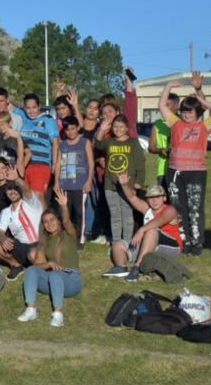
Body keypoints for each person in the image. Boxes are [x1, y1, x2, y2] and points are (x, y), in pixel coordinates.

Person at [159, 73, 211, 256]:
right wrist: (168, 87)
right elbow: (162, 106)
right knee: (178, 208)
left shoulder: (204, 126)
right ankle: (184, 241)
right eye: (184, 111)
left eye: (190, 111)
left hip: (196, 173)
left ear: (198, 112)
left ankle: (197, 243)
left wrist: (200, 98)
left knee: (195, 208)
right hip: (175, 172)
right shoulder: (176, 123)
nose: (186, 114)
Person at [17, 187, 82, 327]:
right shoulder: (43, 242)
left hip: (71, 280)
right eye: (45, 222)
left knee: (55, 275)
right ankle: (31, 309)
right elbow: (38, 265)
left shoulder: (68, 235)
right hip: (52, 281)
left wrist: (64, 206)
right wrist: (48, 264)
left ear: (58, 221)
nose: (49, 223)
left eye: (52, 220)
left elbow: (67, 222)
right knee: (30, 270)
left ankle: (58, 315)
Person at [105, 173, 183, 280]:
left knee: (151, 231)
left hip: (172, 247)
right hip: (150, 244)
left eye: (158, 197)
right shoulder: (147, 209)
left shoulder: (170, 210)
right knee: (118, 245)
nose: (154, 201)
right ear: (147, 199)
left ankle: (137, 267)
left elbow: (160, 220)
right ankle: (121, 268)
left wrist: (142, 230)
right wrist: (124, 185)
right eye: (151, 198)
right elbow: (132, 197)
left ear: (164, 198)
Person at [95, 114, 145, 244]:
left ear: (127, 128)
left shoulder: (133, 142)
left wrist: (138, 183)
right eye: (115, 126)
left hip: (128, 186)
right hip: (110, 185)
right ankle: (117, 243)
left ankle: (127, 243)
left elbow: (140, 164)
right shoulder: (109, 141)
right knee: (115, 215)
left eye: (121, 127)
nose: (118, 129)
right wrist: (102, 129)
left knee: (127, 214)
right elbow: (98, 144)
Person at [0, 176, 43, 280]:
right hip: (22, 247)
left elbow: (27, 191)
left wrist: (17, 178)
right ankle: (16, 266)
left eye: (16, 188)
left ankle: (45, 272)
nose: (12, 191)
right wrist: (2, 239)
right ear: (6, 192)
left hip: (40, 243)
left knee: (33, 254)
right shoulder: (6, 212)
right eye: (9, 189)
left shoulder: (30, 202)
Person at [54, 116, 93, 246]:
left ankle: (79, 240)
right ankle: (67, 238)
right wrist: (56, 182)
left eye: (73, 128)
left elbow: (91, 162)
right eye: (67, 130)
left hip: (80, 184)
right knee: (65, 212)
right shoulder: (62, 144)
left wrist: (88, 181)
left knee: (79, 213)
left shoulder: (85, 142)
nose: (70, 132)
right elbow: (58, 163)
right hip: (65, 184)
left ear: (77, 128)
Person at [13, 93, 60, 195]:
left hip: (41, 164)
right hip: (24, 165)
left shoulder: (48, 120)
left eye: (34, 107)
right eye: (28, 108)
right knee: (26, 197)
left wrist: (54, 163)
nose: (31, 111)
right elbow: (6, 104)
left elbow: (55, 143)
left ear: (39, 106)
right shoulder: (24, 117)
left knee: (38, 197)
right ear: (24, 108)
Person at [148, 90, 180, 187]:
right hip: (163, 170)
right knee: (164, 200)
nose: (164, 109)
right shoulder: (158, 124)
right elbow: (151, 147)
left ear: (177, 105)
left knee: (179, 201)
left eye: (167, 105)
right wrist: (161, 150)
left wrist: (198, 90)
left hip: (181, 169)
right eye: (163, 106)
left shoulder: (183, 121)